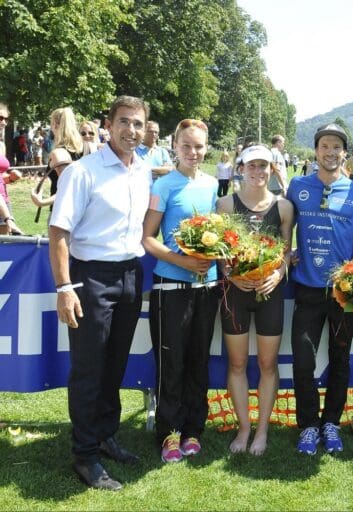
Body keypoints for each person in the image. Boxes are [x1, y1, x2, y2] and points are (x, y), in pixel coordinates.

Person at [48, 95, 151, 491]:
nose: (131, 130)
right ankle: (85, 455)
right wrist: (64, 287)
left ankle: (105, 435)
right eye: (124, 122)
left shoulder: (143, 170)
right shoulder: (83, 172)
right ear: (109, 125)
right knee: (90, 368)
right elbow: (59, 233)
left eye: (138, 123)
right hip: (91, 278)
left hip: (130, 274)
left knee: (114, 366)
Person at [287, 124, 353, 455]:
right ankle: (308, 425)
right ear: (316, 150)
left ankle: (331, 422)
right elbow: (284, 227)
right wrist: (286, 254)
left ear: (344, 153)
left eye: (337, 146)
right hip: (307, 288)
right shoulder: (297, 185)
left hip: (343, 292)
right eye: (325, 145)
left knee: (340, 359)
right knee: (303, 360)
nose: (331, 151)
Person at [141, 119, 220, 464]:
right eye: (186, 145)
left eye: (199, 146)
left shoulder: (213, 184)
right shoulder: (164, 185)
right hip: (171, 288)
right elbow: (146, 239)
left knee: (198, 361)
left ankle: (193, 431)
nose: (193, 152)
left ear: (206, 148)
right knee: (171, 363)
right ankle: (169, 434)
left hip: (208, 287)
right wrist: (182, 261)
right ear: (175, 146)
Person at [216, 144, 293, 456]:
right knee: (236, 363)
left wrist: (278, 274)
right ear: (241, 169)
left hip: (268, 293)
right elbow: (219, 252)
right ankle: (243, 427)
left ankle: (262, 430)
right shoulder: (224, 205)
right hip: (234, 292)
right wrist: (230, 274)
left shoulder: (283, 207)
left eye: (264, 166)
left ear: (272, 169)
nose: (258, 172)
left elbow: (287, 251)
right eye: (252, 166)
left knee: (267, 364)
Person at [30, 147, 72, 213]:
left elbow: (67, 188)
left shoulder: (59, 153)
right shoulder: (90, 151)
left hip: (63, 212)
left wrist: (41, 202)